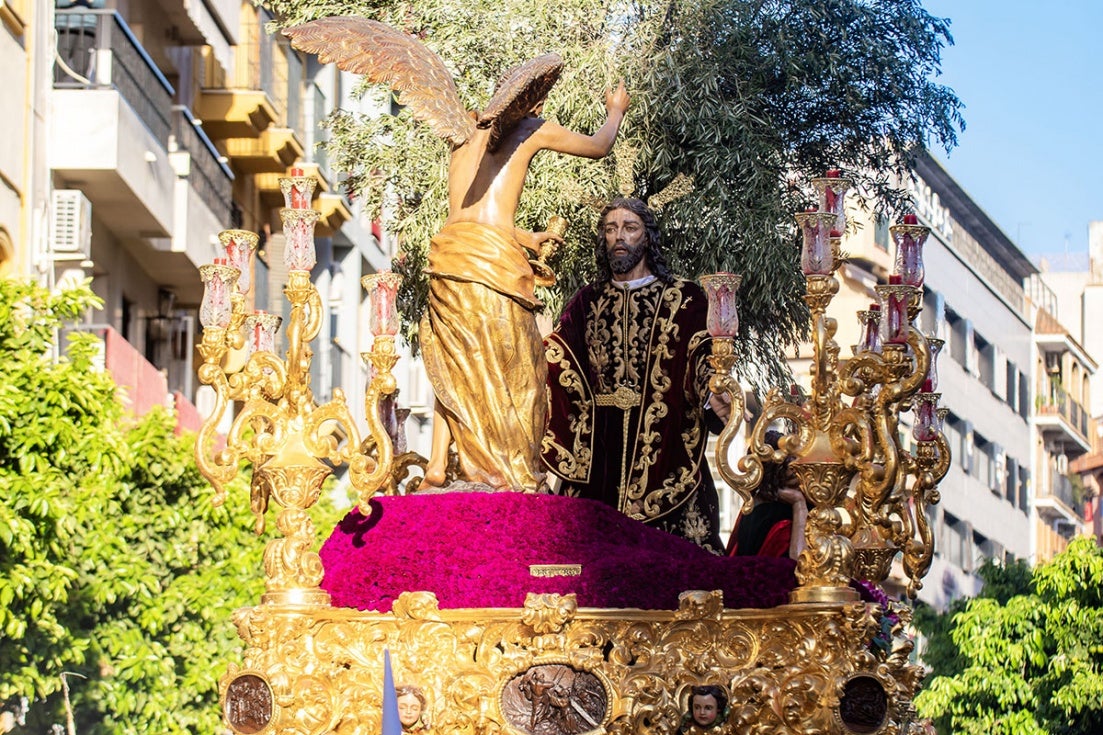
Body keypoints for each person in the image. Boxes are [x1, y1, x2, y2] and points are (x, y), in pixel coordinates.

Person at [285, 19, 630, 493]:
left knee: (459, 361)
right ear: (529, 98)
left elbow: (478, 217)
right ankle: (510, 474)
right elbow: (599, 146)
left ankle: (439, 469)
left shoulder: (461, 137)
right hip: (492, 265)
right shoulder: (532, 129)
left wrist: (529, 240)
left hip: (451, 258)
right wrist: (615, 111)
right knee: (518, 365)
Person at [542, 198, 730, 552]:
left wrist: (712, 391)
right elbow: (557, 359)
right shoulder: (585, 301)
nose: (619, 237)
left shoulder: (685, 298)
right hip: (598, 455)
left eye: (630, 228)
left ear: (647, 237)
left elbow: (702, 353)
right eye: (611, 229)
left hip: (666, 449)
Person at [725, 430, 808, 560]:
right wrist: (799, 504)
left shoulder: (811, 499)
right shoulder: (764, 514)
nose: (794, 466)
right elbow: (800, 561)